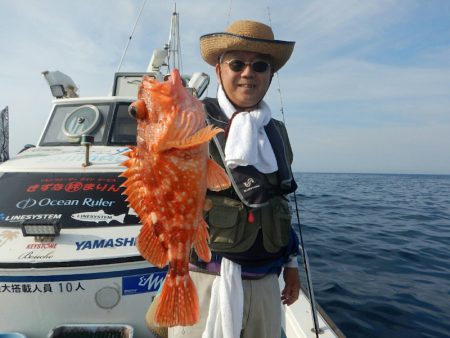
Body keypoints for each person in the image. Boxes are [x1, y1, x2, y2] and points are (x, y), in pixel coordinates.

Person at [169, 20, 300, 338]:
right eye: (237, 63)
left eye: (260, 65)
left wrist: (291, 266)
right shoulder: (192, 121)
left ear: (271, 75)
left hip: (267, 283)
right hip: (204, 280)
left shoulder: (275, 132)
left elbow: (278, 199)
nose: (248, 73)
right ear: (219, 71)